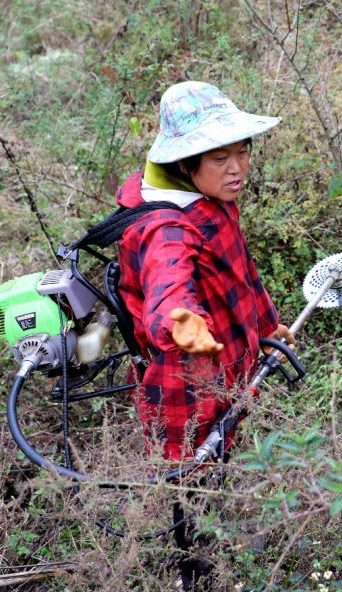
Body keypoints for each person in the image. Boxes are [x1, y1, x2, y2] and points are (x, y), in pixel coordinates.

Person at [114, 81, 294, 587]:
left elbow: (238, 273)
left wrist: (265, 325)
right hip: (185, 386)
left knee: (219, 464)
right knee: (190, 484)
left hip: (230, 364)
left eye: (242, 151)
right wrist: (183, 322)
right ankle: (196, 570)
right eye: (219, 158)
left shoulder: (210, 199)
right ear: (185, 164)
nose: (237, 168)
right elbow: (168, 288)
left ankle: (211, 540)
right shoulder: (167, 225)